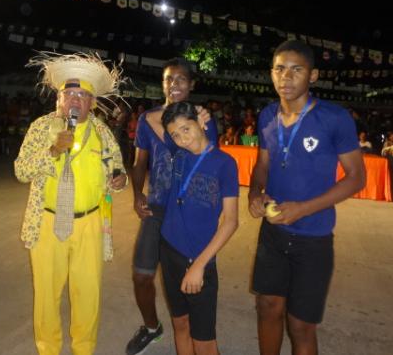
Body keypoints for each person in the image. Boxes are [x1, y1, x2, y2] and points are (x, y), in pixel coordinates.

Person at [248, 40, 365, 355]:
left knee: (300, 325)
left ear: (313, 76)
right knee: (267, 306)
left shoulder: (334, 118)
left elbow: (357, 178)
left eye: (296, 70)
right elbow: (262, 165)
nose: (286, 77)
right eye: (279, 69)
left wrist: (304, 209)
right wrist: (255, 194)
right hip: (273, 234)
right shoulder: (267, 116)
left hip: (313, 239)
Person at [14, 52, 127, 355]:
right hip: (48, 223)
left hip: (90, 224)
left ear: (92, 102)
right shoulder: (41, 128)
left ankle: (83, 350)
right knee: (46, 296)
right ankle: (48, 349)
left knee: (87, 294)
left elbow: (118, 168)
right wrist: (51, 151)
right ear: (59, 99)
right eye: (69, 94)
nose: (75, 100)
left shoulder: (103, 133)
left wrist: (120, 180)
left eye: (82, 95)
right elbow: (21, 171)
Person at [127, 58, 218, 355]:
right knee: (142, 276)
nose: (174, 84)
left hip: (187, 213)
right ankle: (152, 327)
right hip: (156, 210)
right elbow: (140, 163)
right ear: (163, 84)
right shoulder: (147, 119)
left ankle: (195, 335)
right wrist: (137, 194)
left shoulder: (202, 119)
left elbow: (210, 165)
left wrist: (202, 127)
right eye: (169, 79)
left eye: (181, 79)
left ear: (191, 85)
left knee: (188, 284)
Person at [160, 101, 239, 355]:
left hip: (199, 260)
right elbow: (153, 122)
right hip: (169, 251)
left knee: (204, 342)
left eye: (186, 128)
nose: (182, 138)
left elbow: (231, 221)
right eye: (175, 134)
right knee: (179, 323)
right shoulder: (178, 155)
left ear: (200, 123)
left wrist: (199, 265)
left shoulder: (225, 164)